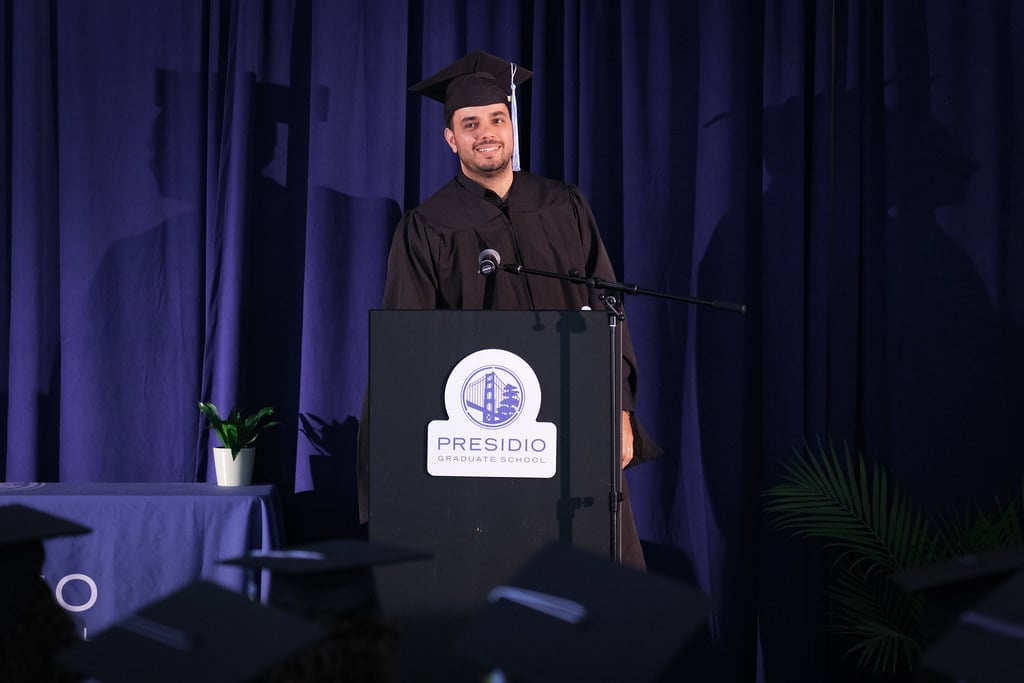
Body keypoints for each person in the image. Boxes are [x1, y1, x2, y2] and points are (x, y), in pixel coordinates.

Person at [362, 50, 659, 569]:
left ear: (512, 126)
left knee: (598, 585)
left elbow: (609, 307)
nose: (487, 133)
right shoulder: (428, 226)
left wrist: (622, 409)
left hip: (577, 421)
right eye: (470, 123)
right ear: (450, 138)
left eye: (497, 118)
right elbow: (408, 346)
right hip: (489, 439)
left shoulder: (561, 204)